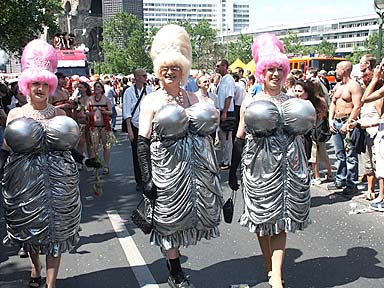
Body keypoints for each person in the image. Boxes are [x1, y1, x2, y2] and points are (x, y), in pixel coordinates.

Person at [138, 24, 223, 288]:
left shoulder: (194, 99)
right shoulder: (151, 101)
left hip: (192, 171)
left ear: (183, 70)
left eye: (175, 67)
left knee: (187, 217)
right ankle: (175, 268)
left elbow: (208, 132)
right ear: (158, 72)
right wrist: (146, 178)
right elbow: (142, 142)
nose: (170, 72)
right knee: (167, 220)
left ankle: (173, 262)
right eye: (165, 68)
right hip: (164, 168)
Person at [228, 33, 316, 288]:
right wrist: (234, 171)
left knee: (280, 219)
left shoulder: (292, 102)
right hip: (257, 167)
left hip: (287, 168)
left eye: (280, 70)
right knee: (261, 220)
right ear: (262, 73)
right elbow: (240, 136)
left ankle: (276, 275)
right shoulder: (251, 102)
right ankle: (268, 262)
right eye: (271, 70)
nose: (275, 74)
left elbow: (307, 129)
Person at [1, 39, 81, 288]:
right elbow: (6, 148)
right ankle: (36, 267)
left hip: (59, 182)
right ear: (27, 85)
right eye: (35, 83)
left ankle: (51, 283)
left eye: (45, 84)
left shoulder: (60, 115)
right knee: (31, 234)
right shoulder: (16, 115)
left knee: (56, 233)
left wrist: (87, 160)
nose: (40, 88)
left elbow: (70, 145)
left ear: (51, 86)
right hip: (26, 182)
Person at [327, 61, 362, 194]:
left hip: (348, 122)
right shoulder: (337, 86)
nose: (335, 71)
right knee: (339, 154)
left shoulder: (354, 86)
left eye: (338, 69)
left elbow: (357, 106)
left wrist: (349, 123)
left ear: (345, 70)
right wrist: (330, 120)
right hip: (336, 122)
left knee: (350, 155)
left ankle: (351, 184)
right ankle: (340, 179)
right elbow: (333, 104)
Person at [122, 68, 152, 192]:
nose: (146, 77)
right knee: (137, 153)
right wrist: (129, 130)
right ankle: (139, 180)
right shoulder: (128, 92)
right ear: (137, 77)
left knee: (150, 152)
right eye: (143, 75)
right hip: (135, 125)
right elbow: (126, 112)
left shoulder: (149, 90)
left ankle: (149, 178)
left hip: (148, 125)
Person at [88, 81, 114, 175]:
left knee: (106, 146)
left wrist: (105, 112)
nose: (96, 89)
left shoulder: (106, 99)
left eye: (98, 87)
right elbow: (86, 112)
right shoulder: (90, 99)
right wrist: (89, 113)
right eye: (95, 87)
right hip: (93, 126)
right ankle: (96, 165)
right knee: (94, 147)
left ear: (102, 89)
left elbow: (111, 112)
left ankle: (106, 166)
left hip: (104, 126)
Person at [215, 59, 236, 170]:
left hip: (227, 112)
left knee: (227, 139)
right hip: (222, 111)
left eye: (218, 66)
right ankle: (224, 159)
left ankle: (228, 162)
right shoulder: (222, 80)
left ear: (225, 66)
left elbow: (229, 97)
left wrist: (225, 112)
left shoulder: (229, 80)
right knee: (223, 139)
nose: (217, 68)